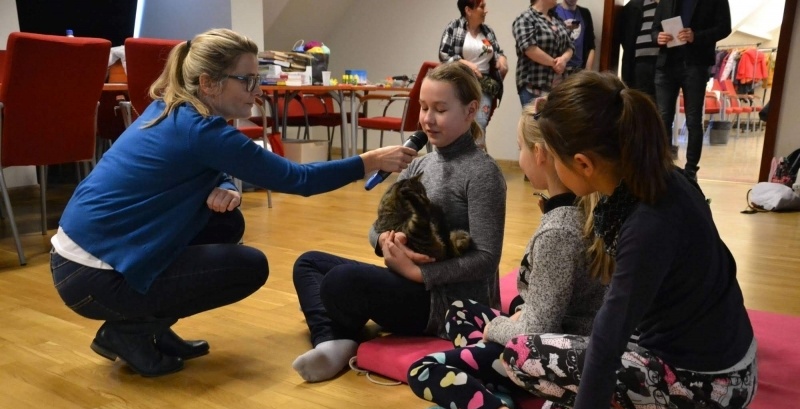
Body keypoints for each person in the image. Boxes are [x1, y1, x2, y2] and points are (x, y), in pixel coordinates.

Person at [50, 29, 416, 378]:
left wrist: (225, 184)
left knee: (226, 223)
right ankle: (130, 332)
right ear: (209, 83)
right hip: (92, 277)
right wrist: (370, 161)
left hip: (79, 261)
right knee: (249, 267)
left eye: (258, 79)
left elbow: (204, 163)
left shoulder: (174, 110)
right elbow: (298, 179)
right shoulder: (202, 131)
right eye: (247, 80)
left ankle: (149, 328)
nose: (257, 91)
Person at [501, 71, 760, 409]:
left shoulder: (648, 223)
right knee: (568, 401)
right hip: (733, 361)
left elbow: (605, 347)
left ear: (583, 163)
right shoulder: (663, 180)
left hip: (710, 384)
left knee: (524, 356)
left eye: (554, 158)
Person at [406, 97, 611, 409]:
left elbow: (537, 330)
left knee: (424, 369)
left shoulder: (559, 231)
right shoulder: (586, 209)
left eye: (519, 148)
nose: (518, 157)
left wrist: (498, 328)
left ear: (540, 155)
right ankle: (492, 398)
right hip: (560, 330)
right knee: (459, 312)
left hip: (552, 349)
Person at [292, 62, 506, 383]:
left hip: (448, 305)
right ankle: (333, 340)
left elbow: (486, 258)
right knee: (308, 263)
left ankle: (335, 331)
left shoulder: (483, 173)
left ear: (470, 110)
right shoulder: (418, 165)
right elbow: (378, 226)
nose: (427, 119)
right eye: (423, 107)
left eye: (440, 109)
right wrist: (385, 242)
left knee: (342, 281)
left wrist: (419, 274)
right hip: (408, 280)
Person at [652, 0, 732, 180]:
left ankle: (690, 171)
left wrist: (696, 36)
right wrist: (658, 37)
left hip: (696, 64)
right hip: (666, 64)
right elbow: (655, 29)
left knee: (694, 120)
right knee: (662, 118)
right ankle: (664, 167)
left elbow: (724, 28)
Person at [439, 0, 509, 150]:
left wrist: (502, 59)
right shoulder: (454, 27)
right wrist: (465, 63)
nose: (486, 10)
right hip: (460, 83)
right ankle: (458, 157)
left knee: (480, 122)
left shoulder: (487, 31)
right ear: (468, 10)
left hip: (484, 84)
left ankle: (477, 158)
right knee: (459, 123)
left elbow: (498, 52)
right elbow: (444, 54)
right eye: (481, 7)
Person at [512, 0, 574, 107]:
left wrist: (563, 59)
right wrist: (555, 63)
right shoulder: (525, 18)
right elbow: (529, 48)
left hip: (558, 88)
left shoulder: (557, 20)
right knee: (535, 118)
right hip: (534, 87)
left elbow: (570, 46)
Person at [618, 0, 660, 100]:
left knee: (661, 102)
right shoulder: (632, 6)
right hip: (639, 62)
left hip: (663, 62)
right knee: (639, 99)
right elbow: (623, 35)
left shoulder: (670, 5)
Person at [554, 0, 596, 74]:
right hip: (557, 68)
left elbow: (591, 45)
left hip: (579, 69)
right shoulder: (552, 11)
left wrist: (587, 71)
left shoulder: (585, 13)